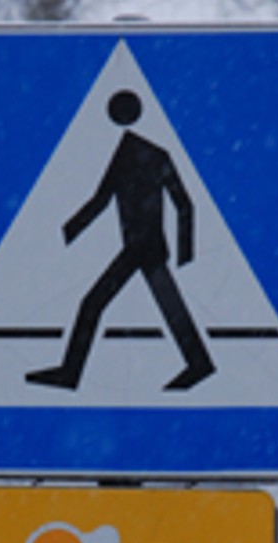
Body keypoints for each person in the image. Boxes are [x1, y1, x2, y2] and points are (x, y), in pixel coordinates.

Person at [26, 89, 215, 392]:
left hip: (142, 247)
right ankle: (199, 363)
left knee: (93, 304)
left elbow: (181, 205)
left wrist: (187, 256)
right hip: (144, 247)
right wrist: (64, 234)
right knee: (169, 308)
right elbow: (178, 205)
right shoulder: (142, 155)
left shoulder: (134, 155)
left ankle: (70, 373)